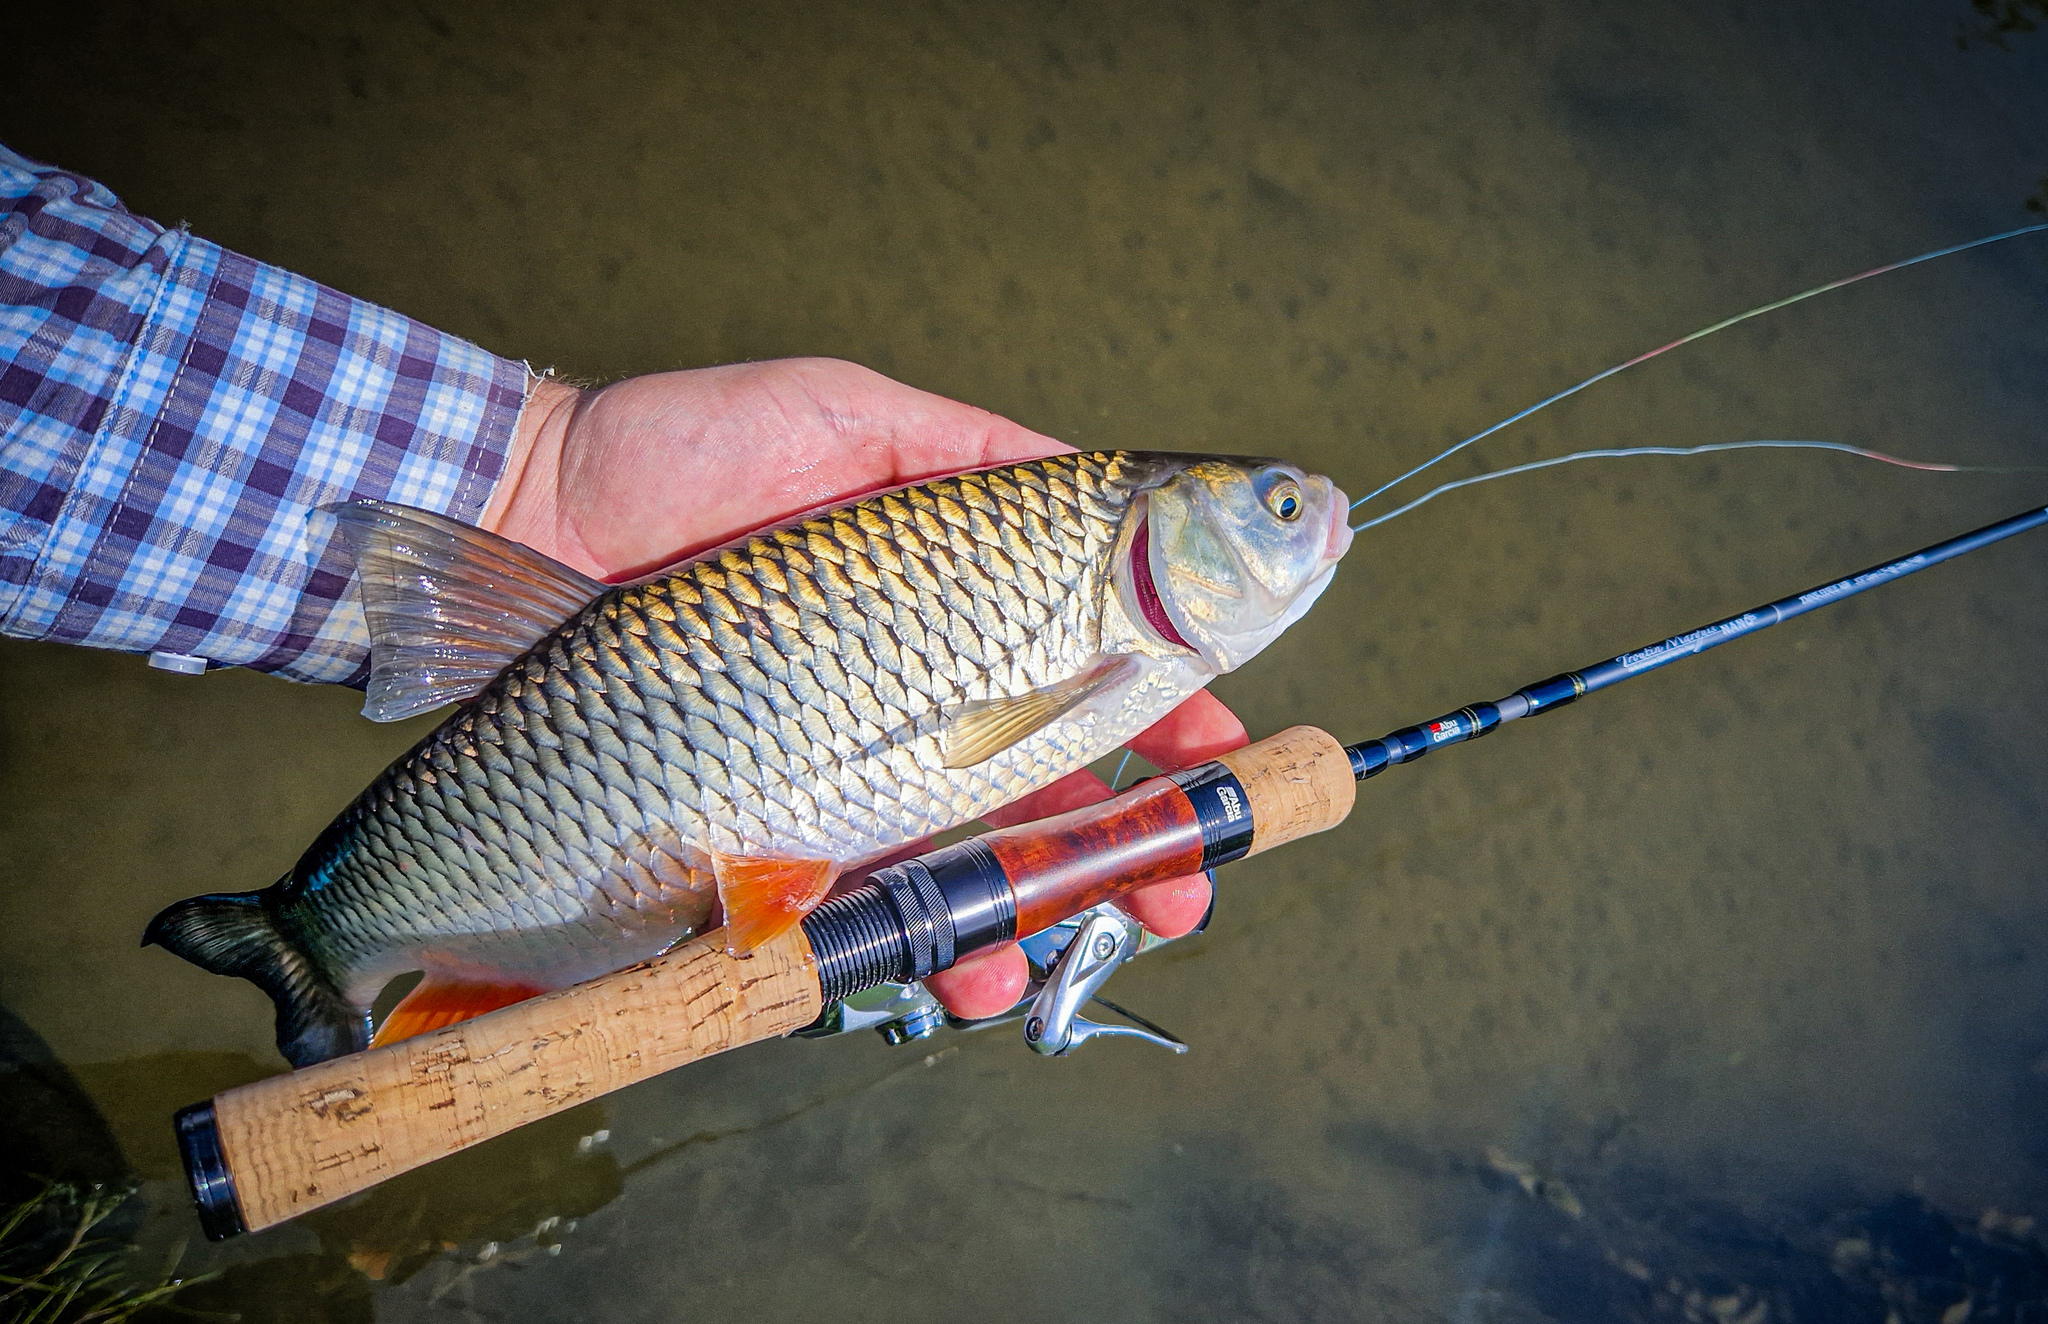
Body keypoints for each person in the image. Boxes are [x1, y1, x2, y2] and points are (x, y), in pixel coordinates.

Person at [0, 143, 1240, 1020]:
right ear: (1151, 528)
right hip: (611, 698)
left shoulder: (1099, 588)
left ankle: (335, 942)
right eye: (1272, 508)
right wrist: (530, 481)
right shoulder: (1104, 596)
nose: (1305, 519)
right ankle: (322, 942)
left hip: (626, 698)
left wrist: (531, 473)